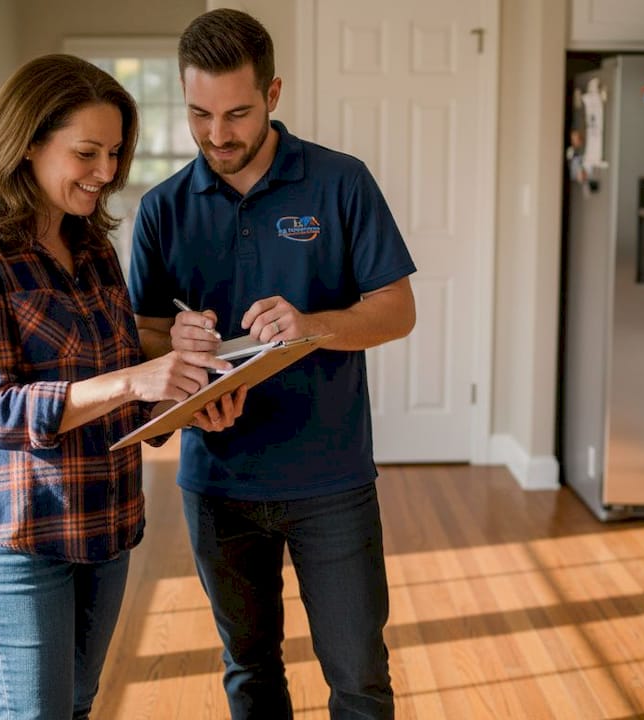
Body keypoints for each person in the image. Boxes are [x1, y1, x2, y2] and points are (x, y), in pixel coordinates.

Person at [0, 54, 245, 719]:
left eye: (115, 153)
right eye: (86, 152)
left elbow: (123, 383)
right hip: (15, 535)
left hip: (104, 520)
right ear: (28, 143)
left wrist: (186, 395)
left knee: (77, 705)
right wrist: (137, 376)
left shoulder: (90, 246)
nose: (106, 173)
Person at [129, 9, 417, 719]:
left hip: (332, 479)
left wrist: (313, 324)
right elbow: (141, 336)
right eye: (199, 114)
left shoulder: (341, 182)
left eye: (237, 113)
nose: (217, 135)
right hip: (217, 482)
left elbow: (397, 310)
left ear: (274, 94)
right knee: (250, 672)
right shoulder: (162, 209)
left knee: (358, 679)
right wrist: (182, 349)